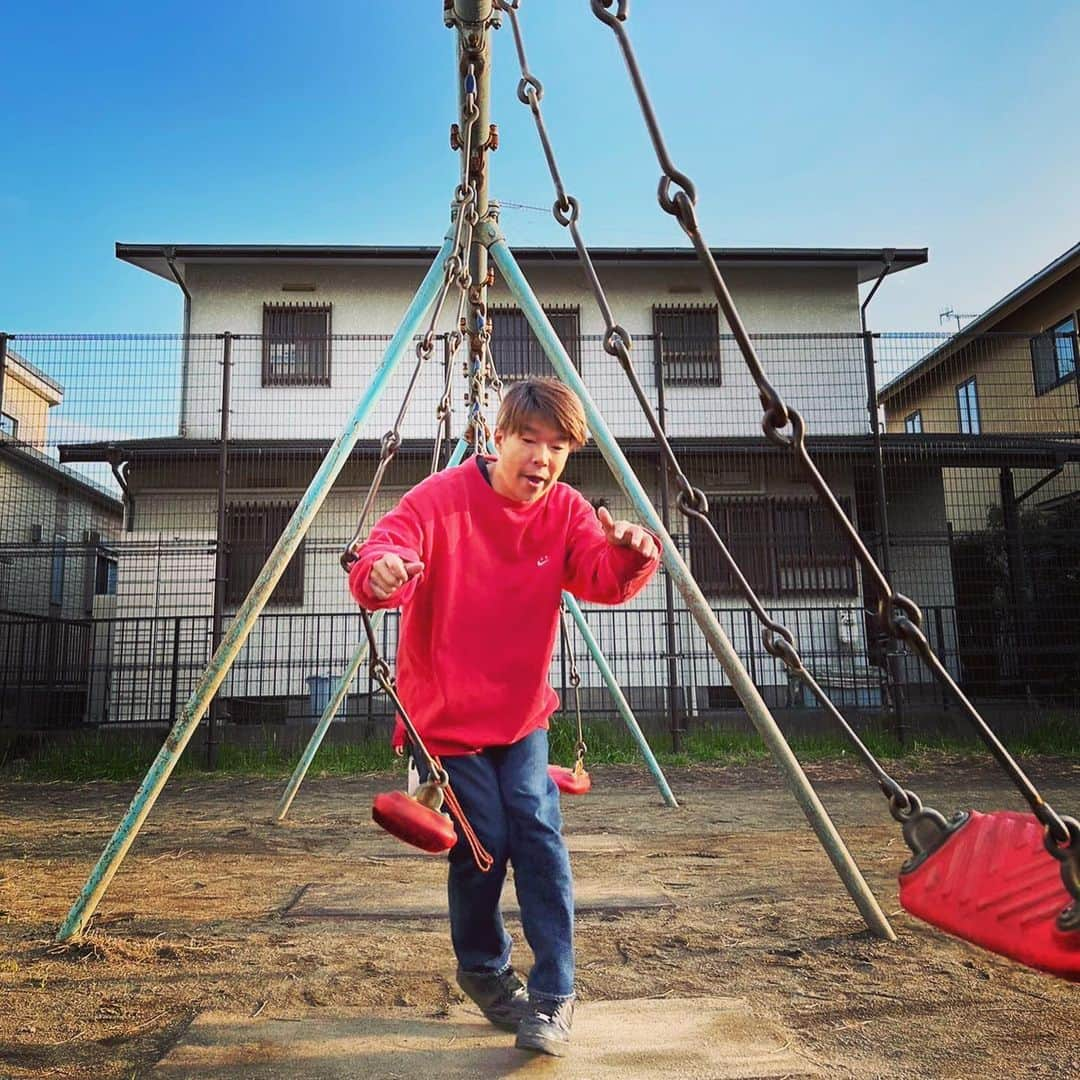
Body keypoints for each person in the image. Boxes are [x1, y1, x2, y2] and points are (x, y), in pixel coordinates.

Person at [348, 377, 660, 1057]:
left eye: (557, 447)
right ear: (498, 438)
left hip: (521, 717)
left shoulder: (567, 511)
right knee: (482, 845)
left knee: (539, 832)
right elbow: (386, 544)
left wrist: (634, 551)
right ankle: (485, 971)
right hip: (447, 719)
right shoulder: (440, 500)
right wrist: (382, 570)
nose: (542, 458)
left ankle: (553, 994)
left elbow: (602, 579)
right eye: (529, 439)